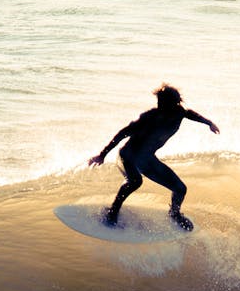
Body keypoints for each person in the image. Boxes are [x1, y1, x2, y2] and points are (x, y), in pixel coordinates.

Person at [88, 84, 220, 231]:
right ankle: (112, 212)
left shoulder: (178, 112)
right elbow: (122, 133)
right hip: (127, 155)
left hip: (147, 159)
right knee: (135, 181)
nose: (159, 105)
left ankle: (174, 214)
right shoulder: (149, 117)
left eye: (163, 102)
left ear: (174, 103)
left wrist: (209, 123)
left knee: (180, 189)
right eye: (159, 102)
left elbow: (189, 113)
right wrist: (102, 155)